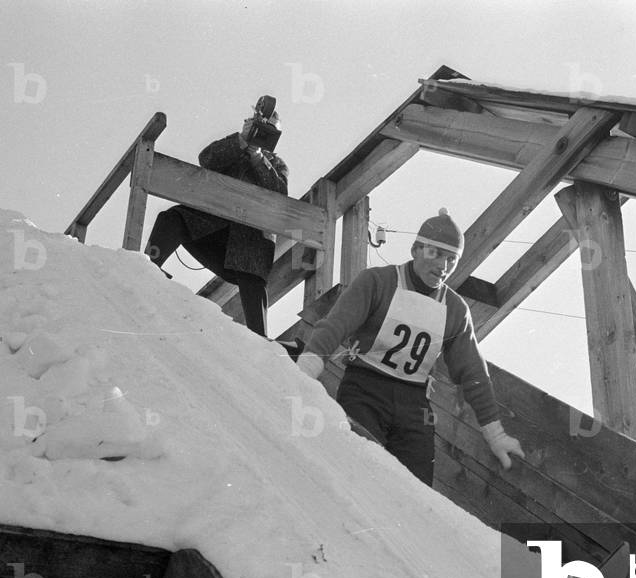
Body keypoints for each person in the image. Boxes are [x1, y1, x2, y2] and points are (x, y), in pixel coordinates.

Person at [295, 209, 524, 485]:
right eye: (435, 254)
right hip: (366, 388)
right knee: (359, 470)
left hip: (414, 403)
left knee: (416, 487)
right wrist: (305, 370)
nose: (443, 265)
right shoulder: (378, 282)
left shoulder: (454, 310)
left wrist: (495, 433)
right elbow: (336, 325)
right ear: (416, 249)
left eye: (451, 259)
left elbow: (473, 371)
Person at [146, 101, 288, 337]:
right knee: (173, 218)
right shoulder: (234, 151)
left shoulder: (276, 164)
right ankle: (148, 267)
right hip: (213, 230)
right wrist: (241, 141)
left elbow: (279, 193)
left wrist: (259, 159)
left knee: (251, 279)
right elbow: (207, 158)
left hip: (248, 244)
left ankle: (260, 339)